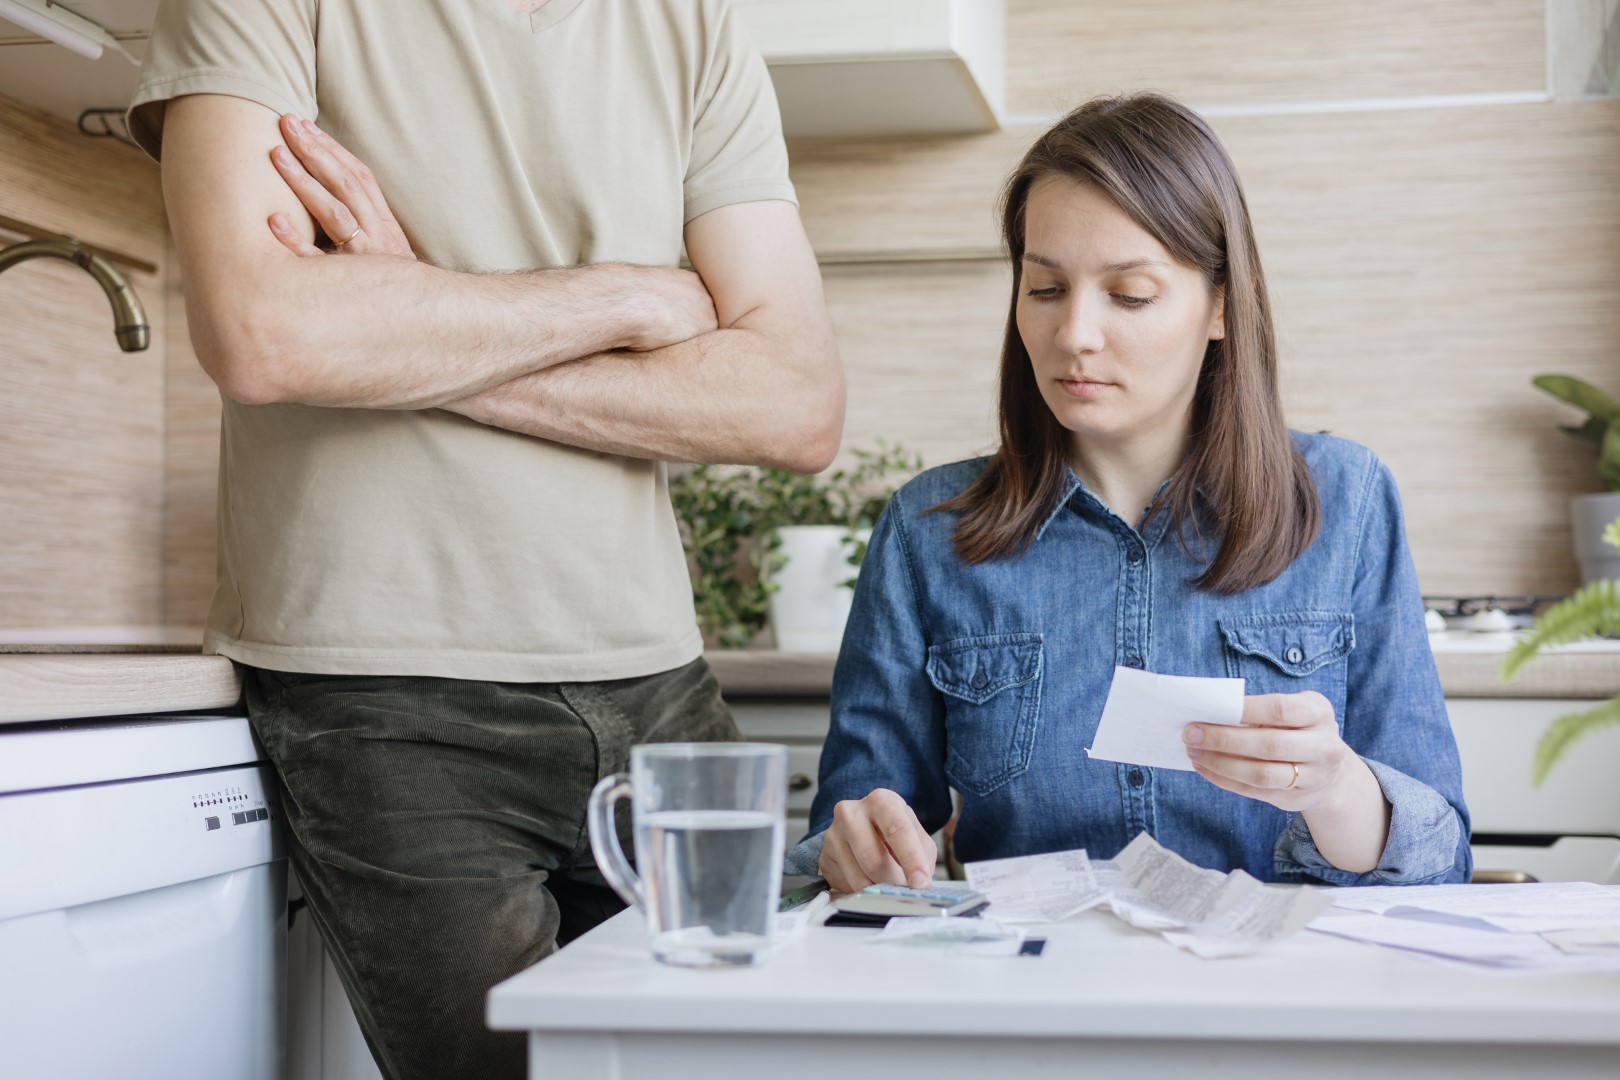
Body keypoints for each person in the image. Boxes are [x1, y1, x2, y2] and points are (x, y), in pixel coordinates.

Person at [126, 1, 843, 1078]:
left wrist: (412, 311)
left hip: (661, 688)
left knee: (738, 1065)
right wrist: (626, 300)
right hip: (389, 703)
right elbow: (266, 335)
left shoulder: (692, 22)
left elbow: (792, 406)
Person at [787, 93, 1470, 894]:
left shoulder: (1345, 502)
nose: (1074, 333)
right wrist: (853, 851)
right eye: (1044, 290)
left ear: (1220, 304)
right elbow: (837, 844)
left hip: (1280, 999)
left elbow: (1439, 858)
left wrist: (1336, 789)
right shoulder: (926, 531)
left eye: (1130, 294)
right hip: (1037, 997)